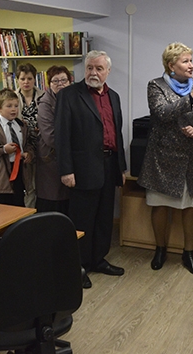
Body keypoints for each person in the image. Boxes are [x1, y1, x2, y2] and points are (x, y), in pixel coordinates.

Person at [137, 42, 193, 275]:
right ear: (171, 65)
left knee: (190, 207)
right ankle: (160, 249)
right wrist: (191, 97)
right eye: (185, 61)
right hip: (162, 157)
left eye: (191, 60)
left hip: (190, 158)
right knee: (159, 206)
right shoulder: (156, 86)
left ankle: (188, 254)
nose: (191, 65)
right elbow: (162, 113)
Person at [55, 50, 127, 289]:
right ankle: (78, 266)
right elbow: (62, 135)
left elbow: (117, 133)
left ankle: (98, 259)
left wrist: (121, 168)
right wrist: (66, 170)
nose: (93, 73)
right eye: (89, 68)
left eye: (99, 68)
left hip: (109, 165)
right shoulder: (69, 95)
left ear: (108, 71)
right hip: (82, 168)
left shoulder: (113, 96)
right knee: (82, 221)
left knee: (104, 218)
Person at [35, 65, 73, 214]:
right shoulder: (45, 104)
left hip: (69, 160)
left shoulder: (74, 99)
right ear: (49, 84)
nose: (60, 84)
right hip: (51, 160)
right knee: (52, 203)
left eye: (64, 80)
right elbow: (50, 137)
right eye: (55, 81)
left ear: (70, 82)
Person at [0, 89, 32, 207]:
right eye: (9, 106)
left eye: (16, 106)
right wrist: (3, 149)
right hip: (3, 172)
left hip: (20, 170)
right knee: (4, 205)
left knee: (19, 203)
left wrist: (28, 153)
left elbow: (27, 144)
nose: (14, 109)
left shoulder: (21, 125)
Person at [16, 63, 44, 209]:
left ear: (35, 79)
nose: (26, 82)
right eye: (22, 79)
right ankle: (29, 212)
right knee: (28, 185)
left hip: (42, 145)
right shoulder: (13, 98)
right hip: (23, 147)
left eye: (29, 78)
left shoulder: (43, 96)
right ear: (17, 80)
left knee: (42, 183)